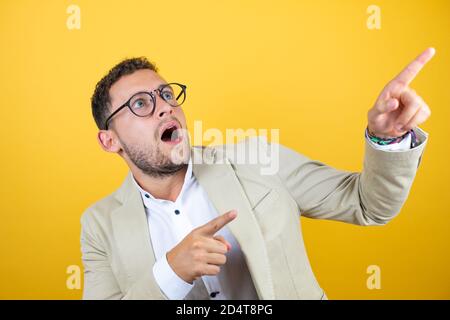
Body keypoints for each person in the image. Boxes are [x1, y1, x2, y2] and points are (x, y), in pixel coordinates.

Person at [81, 48, 434, 299]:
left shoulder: (257, 158)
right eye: (141, 104)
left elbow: (367, 204)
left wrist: (386, 140)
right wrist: (171, 273)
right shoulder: (99, 225)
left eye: (166, 94)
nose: (165, 108)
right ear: (109, 140)